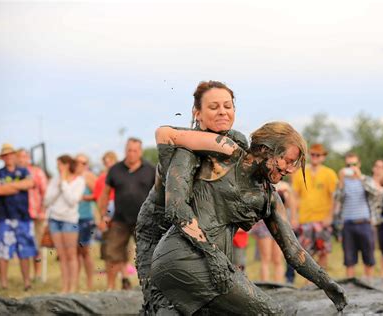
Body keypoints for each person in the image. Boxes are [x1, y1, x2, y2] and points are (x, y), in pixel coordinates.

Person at [151, 122, 347, 315]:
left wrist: (327, 283)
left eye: (293, 164)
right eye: (286, 160)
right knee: (273, 313)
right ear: (265, 149)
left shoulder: (269, 197)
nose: (290, 169)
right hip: (187, 257)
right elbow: (175, 139)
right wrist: (213, 255)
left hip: (200, 265)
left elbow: (294, 252)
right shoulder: (225, 157)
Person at [134, 80, 248, 312]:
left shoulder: (238, 139)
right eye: (214, 107)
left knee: (210, 300)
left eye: (228, 106)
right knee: (163, 302)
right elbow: (163, 133)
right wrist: (225, 146)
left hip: (203, 228)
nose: (223, 112)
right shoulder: (182, 146)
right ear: (197, 113)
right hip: (160, 227)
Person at [98, 138, 155, 290]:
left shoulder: (151, 169)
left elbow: (159, 195)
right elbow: (104, 194)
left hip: (144, 222)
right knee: (112, 255)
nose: (131, 154)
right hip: (119, 220)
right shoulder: (115, 169)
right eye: (129, 150)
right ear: (125, 150)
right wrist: (102, 215)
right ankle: (110, 289)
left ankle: (149, 289)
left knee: (148, 255)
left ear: (140, 152)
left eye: (135, 150)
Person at [0, 144, 35, 290]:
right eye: (6, 155)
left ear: (14, 156)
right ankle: (4, 283)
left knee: (25, 251)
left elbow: (30, 183)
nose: (9, 157)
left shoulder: (24, 171)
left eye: (11, 154)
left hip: (23, 217)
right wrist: (19, 186)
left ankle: (27, 282)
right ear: (3, 157)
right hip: (4, 217)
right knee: (3, 251)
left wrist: (8, 187)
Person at [291, 143, 338, 270]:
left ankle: (321, 284)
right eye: (312, 154)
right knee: (306, 255)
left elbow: (335, 197)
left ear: (323, 157)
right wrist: (294, 217)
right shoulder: (299, 173)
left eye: (318, 155)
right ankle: (308, 286)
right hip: (305, 219)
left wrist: (330, 216)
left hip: (322, 220)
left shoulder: (330, 174)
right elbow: (294, 197)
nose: (315, 157)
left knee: (323, 252)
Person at [44, 154, 85, 293]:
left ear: (67, 165)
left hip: (69, 220)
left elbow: (72, 200)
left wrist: (64, 184)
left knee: (71, 255)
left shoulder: (79, 180)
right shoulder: (55, 179)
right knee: (61, 256)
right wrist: (59, 183)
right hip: (54, 220)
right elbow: (47, 200)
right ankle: (64, 287)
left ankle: (72, 287)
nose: (57, 167)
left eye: (59, 164)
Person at [334, 153, 379, 278]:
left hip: (365, 223)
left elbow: (375, 192)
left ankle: (369, 284)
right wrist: (341, 181)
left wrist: (360, 178)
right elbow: (337, 198)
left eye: (354, 164)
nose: (351, 167)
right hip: (348, 225)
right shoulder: (342, 182)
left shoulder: (366, 179)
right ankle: (350, 288)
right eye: (348, 165)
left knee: (369, 259)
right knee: (349, 260)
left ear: (359, 165)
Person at [16, 148, 48, 282]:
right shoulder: (14, 174)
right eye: (20, 156)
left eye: (25, 156)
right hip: (19, 215)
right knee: (23, 246)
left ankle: (38, 274)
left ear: (29, 158)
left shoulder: (37, 172)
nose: (23, 159)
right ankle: (26, 277)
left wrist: (42, 210)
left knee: (36, 246)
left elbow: (45, 193)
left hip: (36, 215)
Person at [75, 153, 97, 291]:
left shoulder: (88, 176)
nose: (80, 165)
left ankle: (90, 283)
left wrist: (83, 197)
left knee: (85, 252)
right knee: (74, 253)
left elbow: (98, 195)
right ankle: (75, 283)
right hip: (71, 218)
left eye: (83, 163)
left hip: (85, 217)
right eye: (77, 162)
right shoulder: (71, 176)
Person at [371, 159, 383, 275]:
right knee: (370, 247)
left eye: (381, 167)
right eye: (377, 166)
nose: (378, 169)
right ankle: (370, 273)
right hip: (370, 221)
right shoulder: (368, 183)